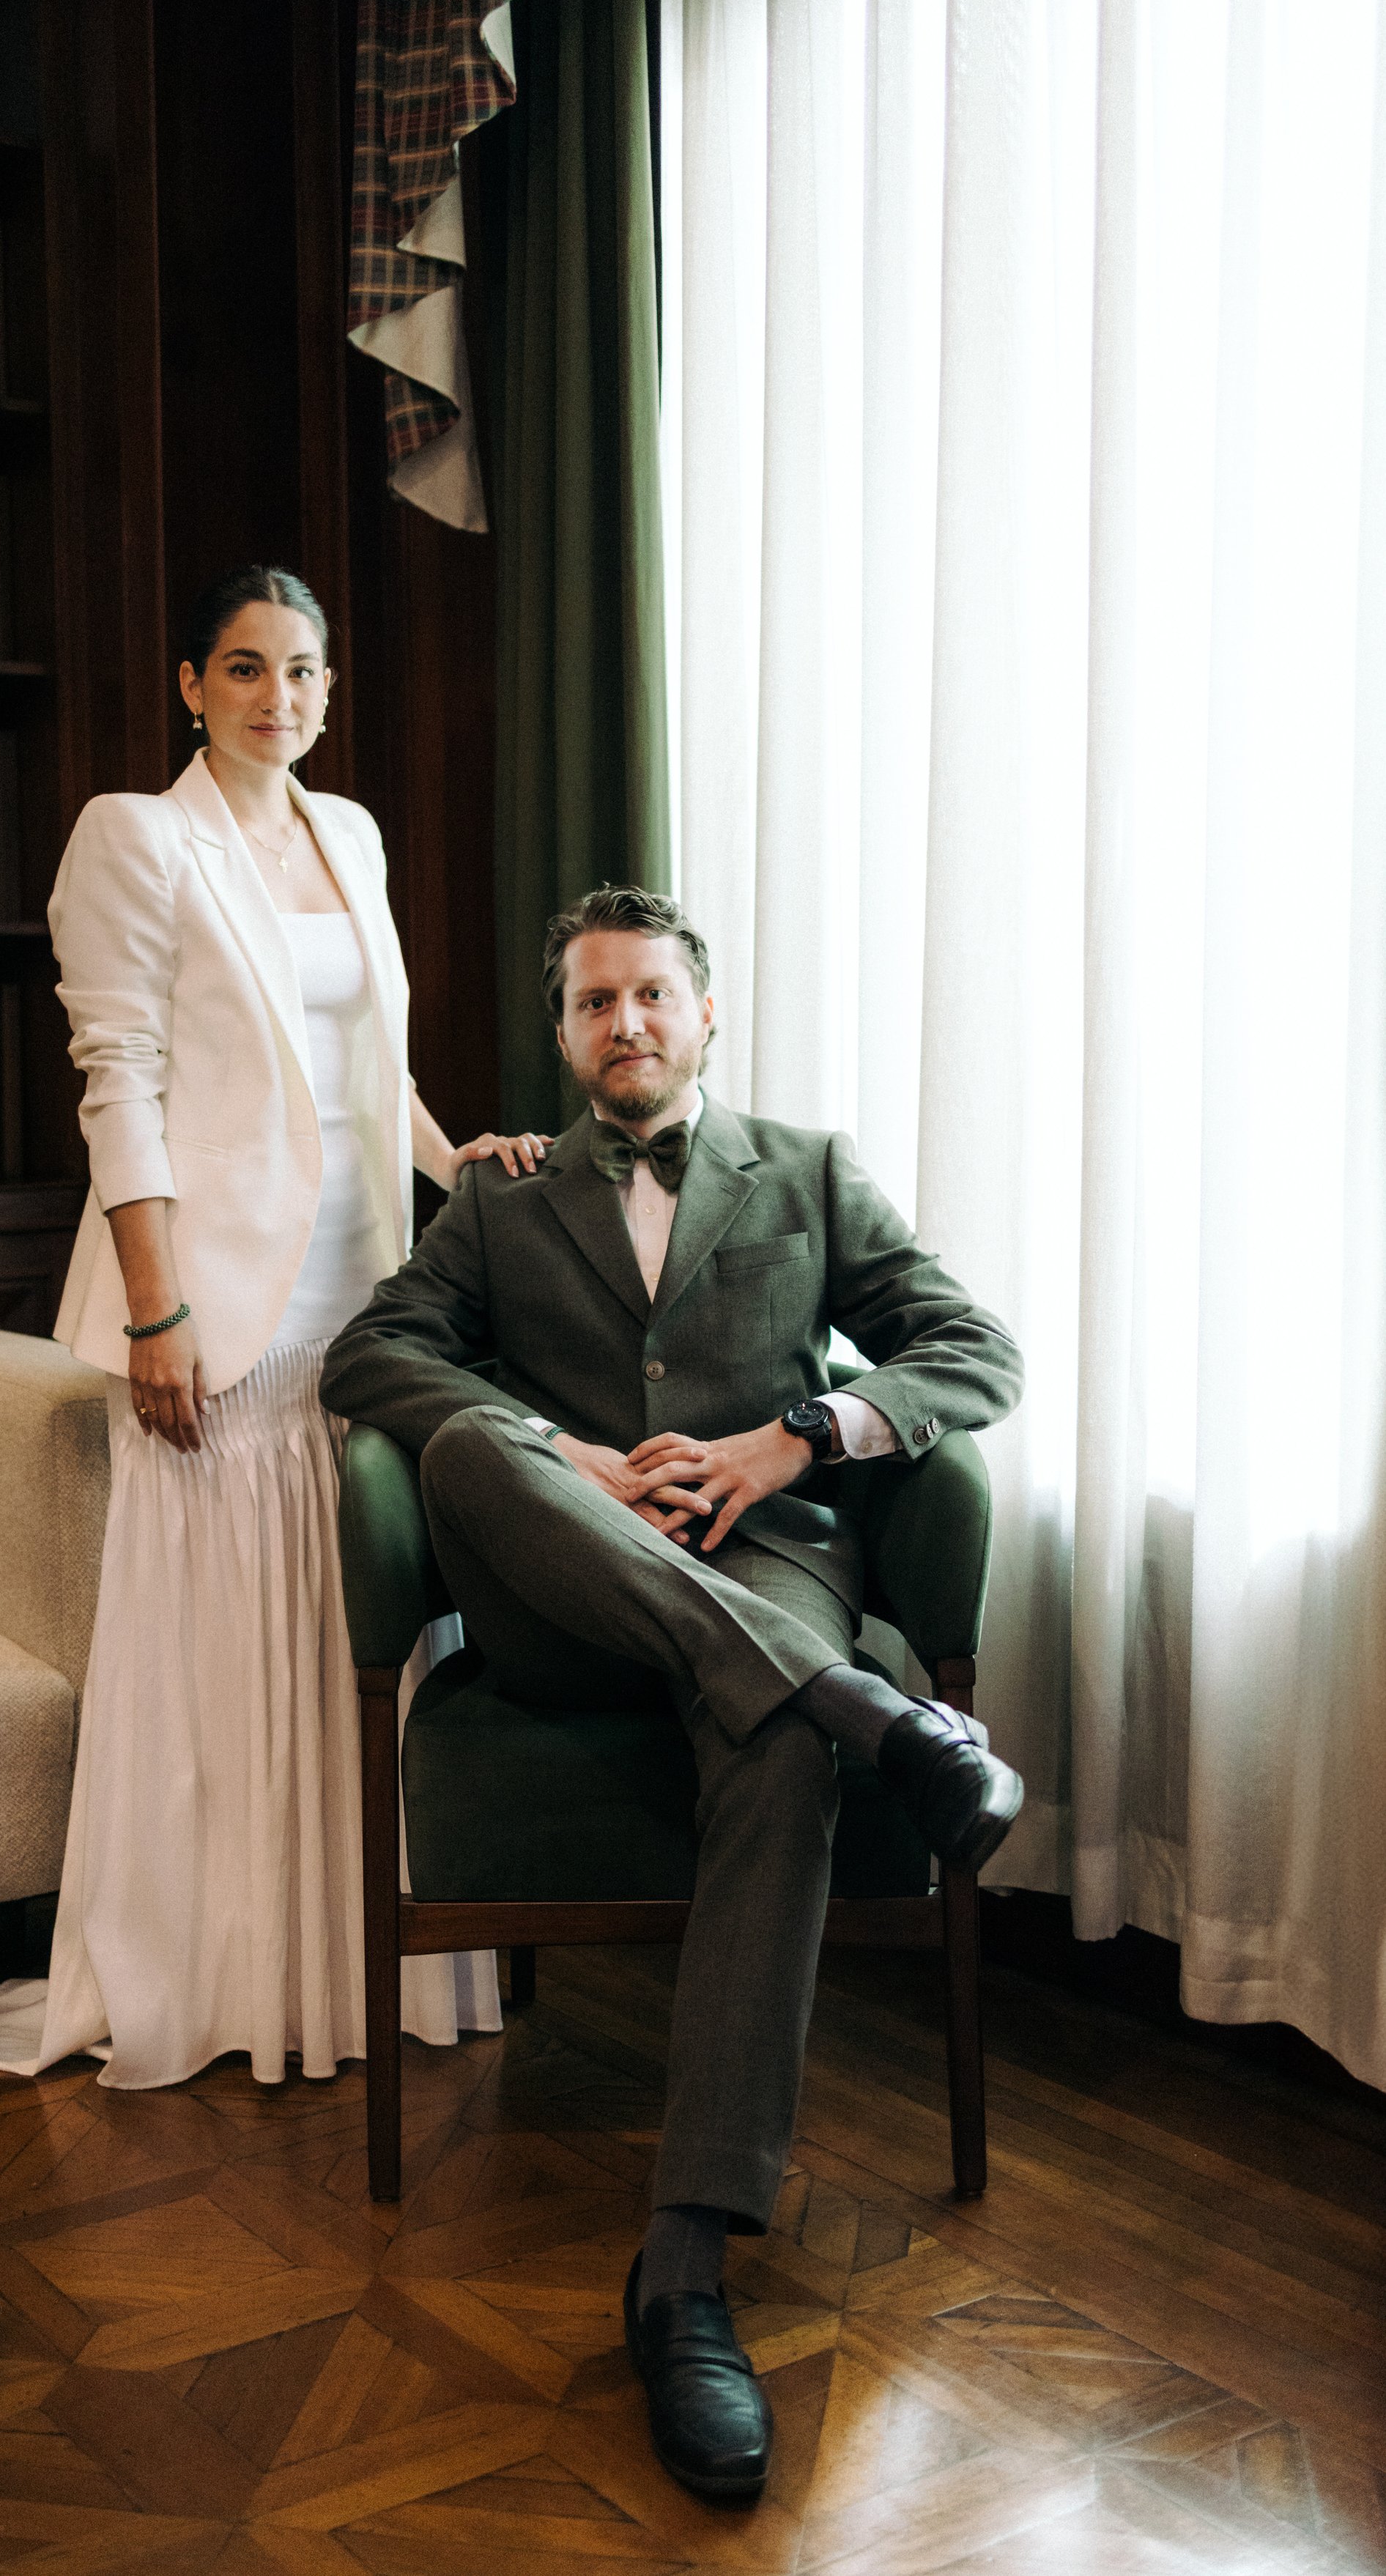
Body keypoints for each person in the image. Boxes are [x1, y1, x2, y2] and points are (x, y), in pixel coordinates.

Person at [319, 884, 1025, 2503]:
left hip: (763, 1552)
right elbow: (368, 1353)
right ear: (561, 1033)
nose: (623, 1023)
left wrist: (798, 1437)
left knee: (773, 1741)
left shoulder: (810, 1170)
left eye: (650, 995)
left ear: (703, 1015)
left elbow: (970, 1348)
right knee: (466, 1436)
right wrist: (566, 1457)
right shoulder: (497, 1200)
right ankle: (879, 1718)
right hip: (565, 1585)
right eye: (591, 1002)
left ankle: (683, 2265)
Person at [0, 565, 546, 2091]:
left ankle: (358, 1965)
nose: (280, 695)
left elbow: (364, 1065)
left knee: (362, 1613)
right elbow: (118, 1076)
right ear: (190, 686)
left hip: (371, 1291)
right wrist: (158, 1307)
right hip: (215, 1306)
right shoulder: (135, 834)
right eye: (246, 666)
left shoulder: (351, 834)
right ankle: (212, 1972)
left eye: (304, 671)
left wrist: (450, 1160)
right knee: (224, 1638)